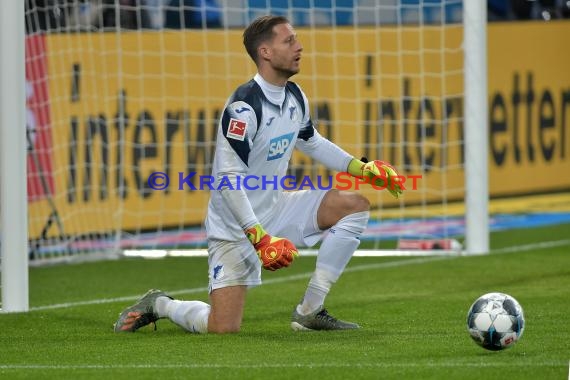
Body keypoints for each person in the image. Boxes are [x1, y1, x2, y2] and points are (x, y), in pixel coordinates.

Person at [113, 15, 403, 334]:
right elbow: (227, 180)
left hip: (277, 209)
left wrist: (361, 169)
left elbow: (310, 140)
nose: (299, 46)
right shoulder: (244, 107)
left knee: (354, 205)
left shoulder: (295, 96)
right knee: (222, 328)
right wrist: (259, 237)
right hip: (235, 227)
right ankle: (161, 305)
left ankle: (310, 310)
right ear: (265, 52)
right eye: (289, 40)